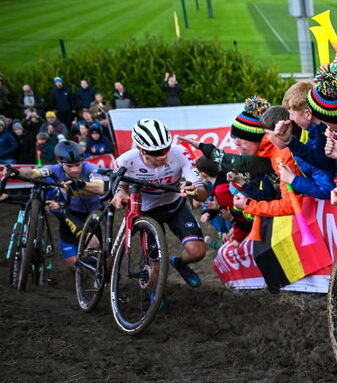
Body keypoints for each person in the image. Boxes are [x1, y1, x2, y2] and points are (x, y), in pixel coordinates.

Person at [112, 118, 208, 287]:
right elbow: (120, 186)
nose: (163, 155)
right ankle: (154, 297)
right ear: (141, 149)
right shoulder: (126, 160)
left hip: (175, 206)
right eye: (157, 153)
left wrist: (195, 191)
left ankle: (179, 263)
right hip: (147, 212)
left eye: (165, 149)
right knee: (156, 269)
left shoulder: (180, 153)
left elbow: (202, 193)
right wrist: (120, 193)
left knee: (198, 252)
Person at [9, 141, 106, 270]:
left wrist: (81, 184)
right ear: (60, 163)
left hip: (94, 214)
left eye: (78, 165)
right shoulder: (54, 169)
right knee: (73, 263)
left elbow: (99, 188)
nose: (75, 170)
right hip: (72, 213)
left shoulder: (90, 168)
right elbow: (32, 173)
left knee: (97, 252)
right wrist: (16, 172)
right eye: (69, 166)